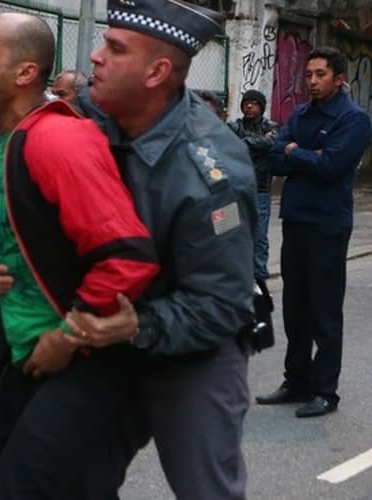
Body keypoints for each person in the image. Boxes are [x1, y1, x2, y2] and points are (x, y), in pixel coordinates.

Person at [0, 13, 159, 498]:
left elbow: (127, 256)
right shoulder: (16, 138)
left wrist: (69, 336)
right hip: (28, 360)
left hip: (78, 367)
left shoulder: (57, 139)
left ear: (26, 73)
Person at [67, 1, 257, 498]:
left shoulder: (213, 175)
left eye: (114, 48)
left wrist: (141, 325)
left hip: (193, 351)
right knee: (73, 478)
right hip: (109, 337)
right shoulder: (87, 115)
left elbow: (223, 302)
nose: (95, 57)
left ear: (157, 72)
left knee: (206, 489)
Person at [257, 46, 371, 418]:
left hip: (328, 224)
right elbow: (274, 158)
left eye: (320, 74)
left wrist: (295, 152)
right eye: (308, 74)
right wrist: (300, 153)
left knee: (324, 310)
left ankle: (325, 390)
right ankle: (296, 380)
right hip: (295, 220)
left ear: (339, 79)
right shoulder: (301, 114)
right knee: (295, 307)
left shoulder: (353, 119)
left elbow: (332, 166)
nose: (312, 81)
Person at [228, 89, 278, 282]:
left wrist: (246, 143)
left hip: (260, 188)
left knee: (259, 235)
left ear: (262, 107)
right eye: (246, 102)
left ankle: (259, 275)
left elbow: (271, 141)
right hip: (234, 188)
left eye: (254, 103)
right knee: (229, 229)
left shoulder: (270, 125)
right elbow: (227, 144)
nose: (249, 106)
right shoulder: (235, 126)